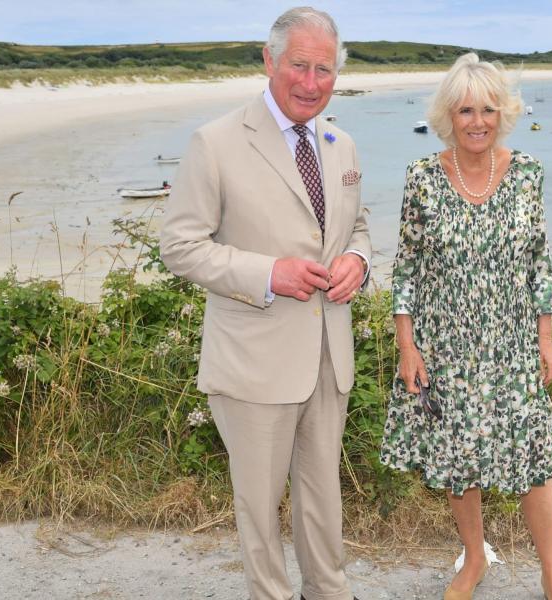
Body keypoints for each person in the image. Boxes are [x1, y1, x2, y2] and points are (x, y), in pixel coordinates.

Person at [160, 7, 369, 600]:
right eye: (298, 66)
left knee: (323, 496)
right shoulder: (216, 142)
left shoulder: (342, 142)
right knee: (259, 506)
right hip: (253, 361)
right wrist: (267, 273)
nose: (311, 82)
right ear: (269, 60)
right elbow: (179, 246)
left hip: (330, 356)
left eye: (324, 69)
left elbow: (358, 229)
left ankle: (329, 592)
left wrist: (360, 262)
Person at [380, 53, 552, 600]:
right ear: (448, 115)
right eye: (465, 110)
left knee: (535, 459)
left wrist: (546, 339)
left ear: (503, 112)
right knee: (459, 459)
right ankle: (473, 560)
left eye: (488, 109)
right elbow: (408, 266)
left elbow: (539, 262)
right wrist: (407, 345)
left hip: (513, 347)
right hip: (447, 349)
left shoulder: (527, 173)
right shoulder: (421, 178)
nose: (477, 121)